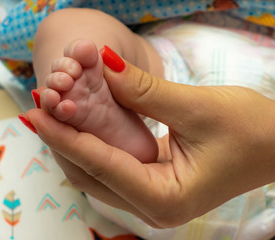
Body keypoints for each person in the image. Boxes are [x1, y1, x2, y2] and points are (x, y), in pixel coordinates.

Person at [19, 8, 275, 228]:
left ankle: (115, 131)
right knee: (69, 29)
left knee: (66, 26)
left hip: (177, 62)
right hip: (178, 60)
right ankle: (112, 121)